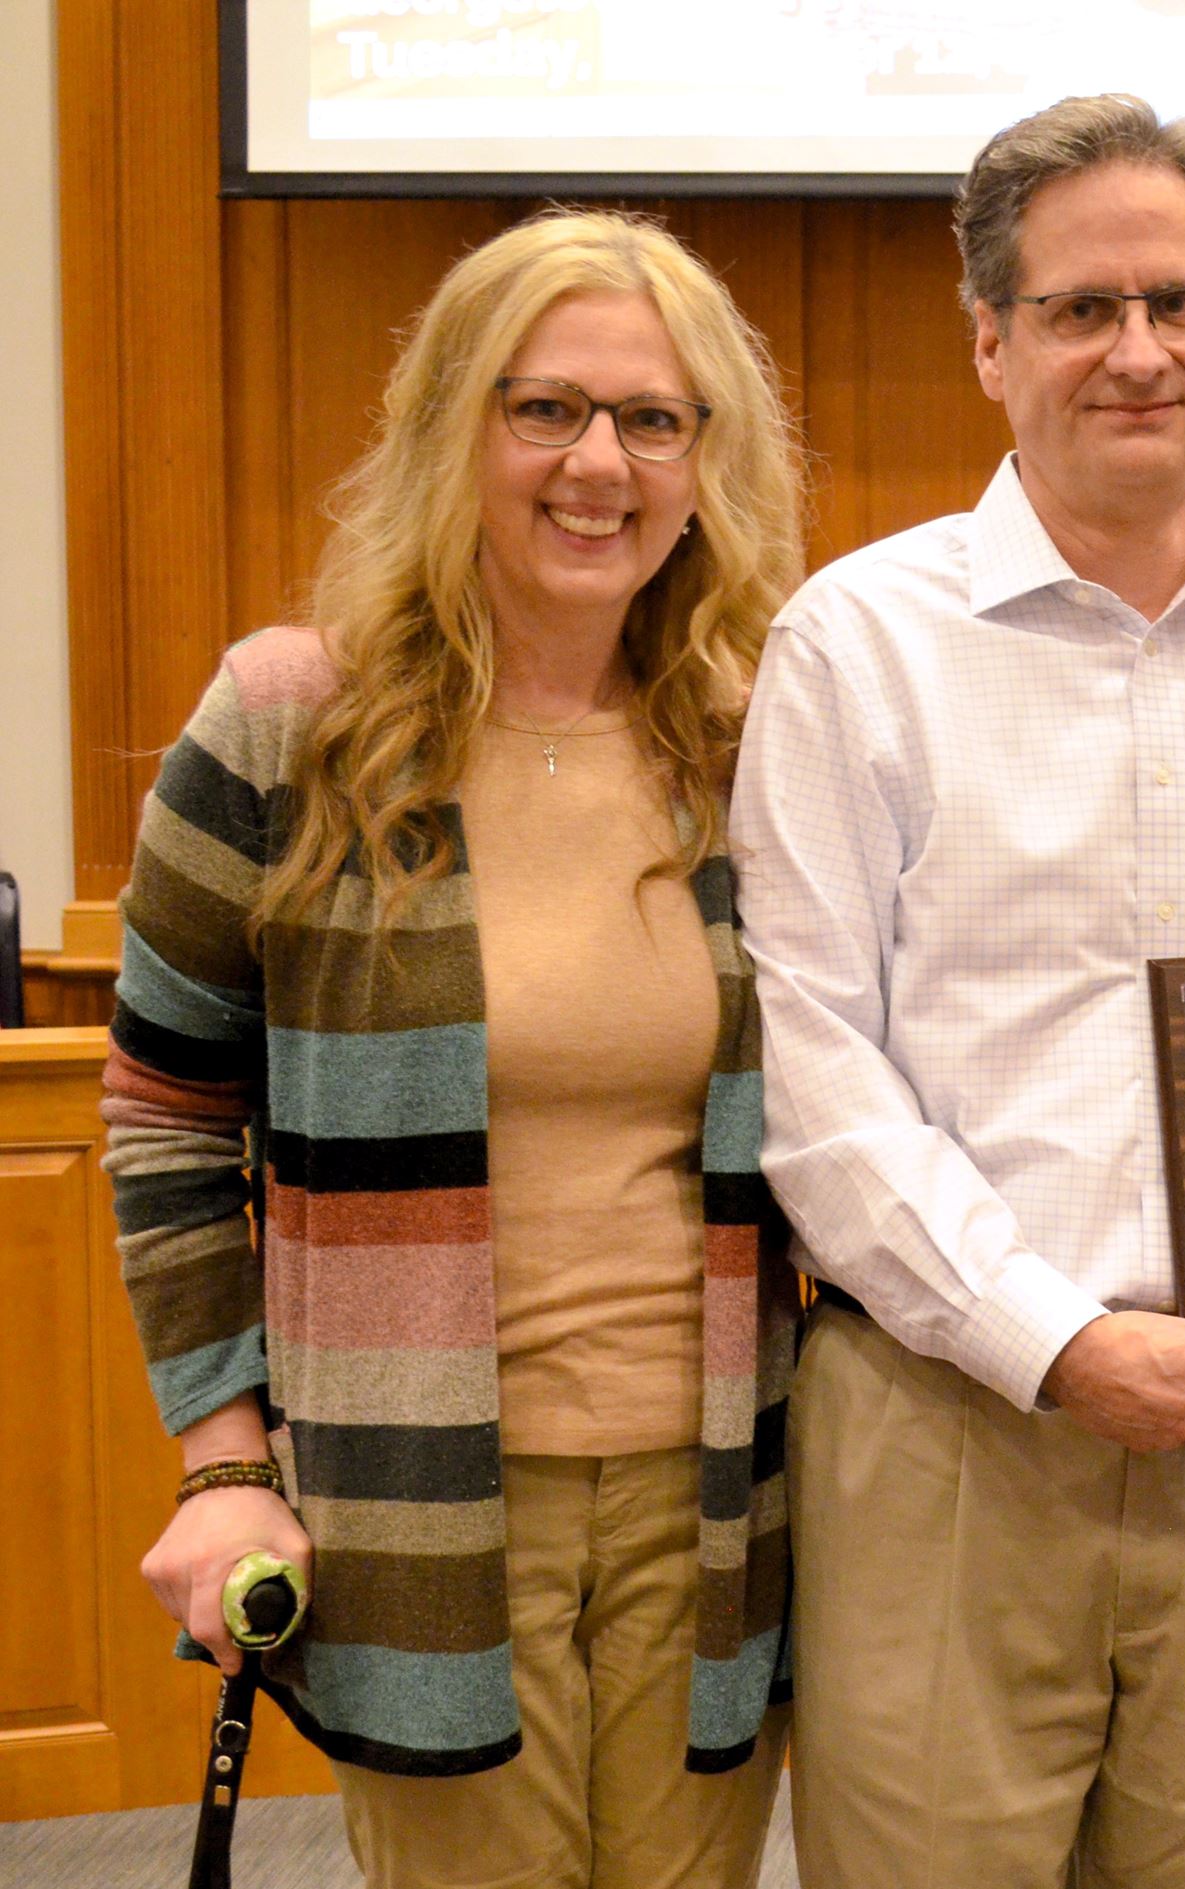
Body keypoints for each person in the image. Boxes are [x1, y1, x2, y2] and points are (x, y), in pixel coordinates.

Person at [728, 94, 1185, 1889]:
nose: (1140, 350)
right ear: (990, 341)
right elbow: (817, 1075)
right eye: (1082, 308)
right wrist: (1055, 1339)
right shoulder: (855, 647)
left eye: (1179, 303)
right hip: (946, 1429)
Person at [103, 207, 809, 1889]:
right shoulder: (292, 724)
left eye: (653, 418)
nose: (600, 464)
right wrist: (223, 1456)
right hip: (417, 1511)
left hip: (722, 1500)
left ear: (705, 459)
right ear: (450, 427)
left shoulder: (757, 736)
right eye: (544, 407)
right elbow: (166, 1117)